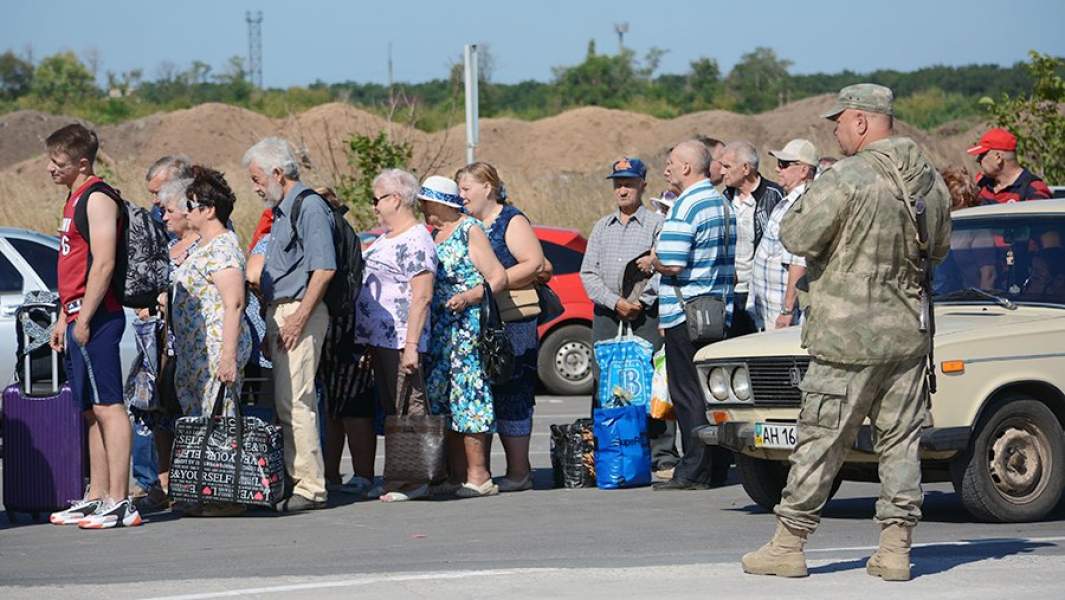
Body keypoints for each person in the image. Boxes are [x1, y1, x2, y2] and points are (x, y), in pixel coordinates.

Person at [741, 84, 952, 581]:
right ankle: (896, 549)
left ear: (861, 121)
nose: (835, 131)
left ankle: (788, 544)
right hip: (907, 331)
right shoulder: (931, 182)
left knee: (821, 439)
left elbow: (796, 236)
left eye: (839, 122)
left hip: (847, 335)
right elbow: (939, 250)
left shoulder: (849, 178)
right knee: (901, 442)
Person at [45, 124, 141, 529]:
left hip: (99, 315)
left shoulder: (98, 198)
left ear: (83, 163)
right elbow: (73, 264)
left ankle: (121, 500)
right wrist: (62, 315)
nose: (51, 169)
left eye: (59, 162)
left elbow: (103, 263)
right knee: (89, 411)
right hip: (77, 314)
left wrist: (83, 317)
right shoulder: (74, 198)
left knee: (109, 406)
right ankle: (97, 494)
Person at [243, 137, 336, 513]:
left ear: (277, 173)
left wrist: (298, 317)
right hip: (283, 311)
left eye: (256, 178)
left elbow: (324, 268)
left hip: (300, 310)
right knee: (286, 401)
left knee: (297, 401)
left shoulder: (308, 207)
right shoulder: (283, 211)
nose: (254, 187)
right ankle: (297, 479)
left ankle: (310, 486)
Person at [580, 157, 679, 480]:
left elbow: (664, 269)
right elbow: (588, 273)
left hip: (645, 315)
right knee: (607, 382)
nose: (622, 189)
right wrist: (615, 301)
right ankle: (610, 449)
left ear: (642, 186)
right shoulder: (601, 227)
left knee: (651, 381)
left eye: (629, 183)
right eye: (618, 183)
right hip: (608, 315)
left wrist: (638, 301)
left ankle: (662, 455)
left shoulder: (656, 225)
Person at [650, 140, 736, 491]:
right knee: (713, 393)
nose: (667, 169)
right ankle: (715, 466)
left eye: (671, 163)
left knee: (687, 395)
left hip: (686, 315)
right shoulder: (721, 203)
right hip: (717, 311)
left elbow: (672, 261)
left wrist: (653, 259)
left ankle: (693, 470)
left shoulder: (685, 205)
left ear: (686, 168)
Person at [170, 167, 252, 517]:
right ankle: (204, 489)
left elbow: (234, 301)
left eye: (191, 204)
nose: (186, 211)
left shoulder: (223, 247)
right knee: (198, 418)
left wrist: (228, 356)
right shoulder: (200, 247)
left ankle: (226, 495)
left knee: (220, 417)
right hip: (193, 350)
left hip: (219, 346)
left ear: (209, 209)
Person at [418, 175, 508, 498]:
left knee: (470, 398)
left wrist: (469, 297)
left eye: (426, 203)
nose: (423, 209)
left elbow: (497, 277)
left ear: (442, 203)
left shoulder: (470, 230)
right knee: (444, 400)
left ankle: (479, 475)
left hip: (467, 327)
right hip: (440, 332)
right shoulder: (431, 235)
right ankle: (456, 475)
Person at [456, 162, 544, 492]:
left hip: (513, 317)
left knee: (514, 391)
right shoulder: (468, 224)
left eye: (466, 188)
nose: (461, 195)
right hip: (479, 319)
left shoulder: (511, 219)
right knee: (486, 394)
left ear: (487, 188)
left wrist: (493, 284)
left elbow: (533, 263)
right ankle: (482, 470)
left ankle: (519, 471)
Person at [353, 170, 437, 502]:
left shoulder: (416, 239)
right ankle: (396, 477)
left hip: (404, 339)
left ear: (395, 199)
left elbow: (422, 295)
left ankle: (414, 480)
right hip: (381, 340)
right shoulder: (387, 237)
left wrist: (413, 346)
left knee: (410, 407)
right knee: (393, 409)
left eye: (377, 199)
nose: (373, 206)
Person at [748, 139, 818, 331]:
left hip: (784, 315)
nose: (778, 169)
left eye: (784, 164)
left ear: (804, 171)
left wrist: (787, 310)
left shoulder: (803, 205)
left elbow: (798, 262)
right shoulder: (790, 201)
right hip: (770, 309)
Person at [720, 141, 785, 336]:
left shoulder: (775, 196)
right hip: (731, 289)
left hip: (763, 291)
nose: (722, 172)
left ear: (746, 168)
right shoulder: (724, 198)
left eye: (727, 166)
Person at [967, 127, 1051, 205]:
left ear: (998, 157)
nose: (978, 160)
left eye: (981, 155)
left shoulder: (1033, 189)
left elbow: (1038, 220)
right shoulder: (982, 184)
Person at [145, 155, 192, 226]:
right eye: (153, 194)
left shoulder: (202, 215)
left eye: (159, 193)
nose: (154, 201)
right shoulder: (157, 213)